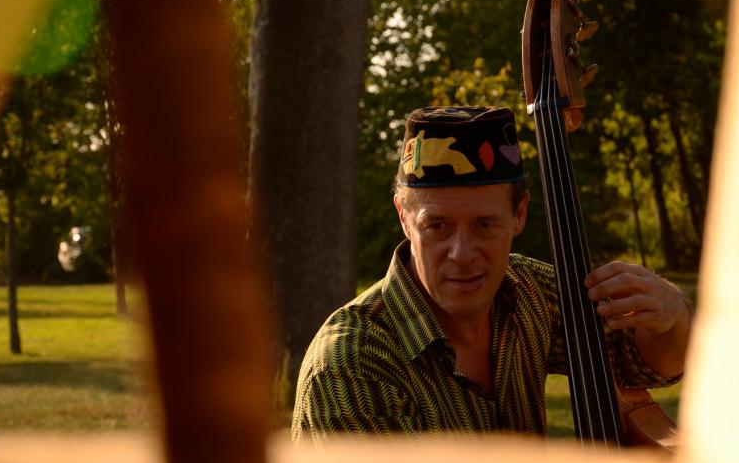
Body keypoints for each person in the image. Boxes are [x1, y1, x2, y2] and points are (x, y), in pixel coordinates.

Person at [291, 106, 691, 442]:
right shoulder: (351, 366)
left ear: (519, 214)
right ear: (404, 217)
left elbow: (641, 365)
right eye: (438, 226)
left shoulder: (529, 290)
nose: (462, 254)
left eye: (484, 224)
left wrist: (671, 316)